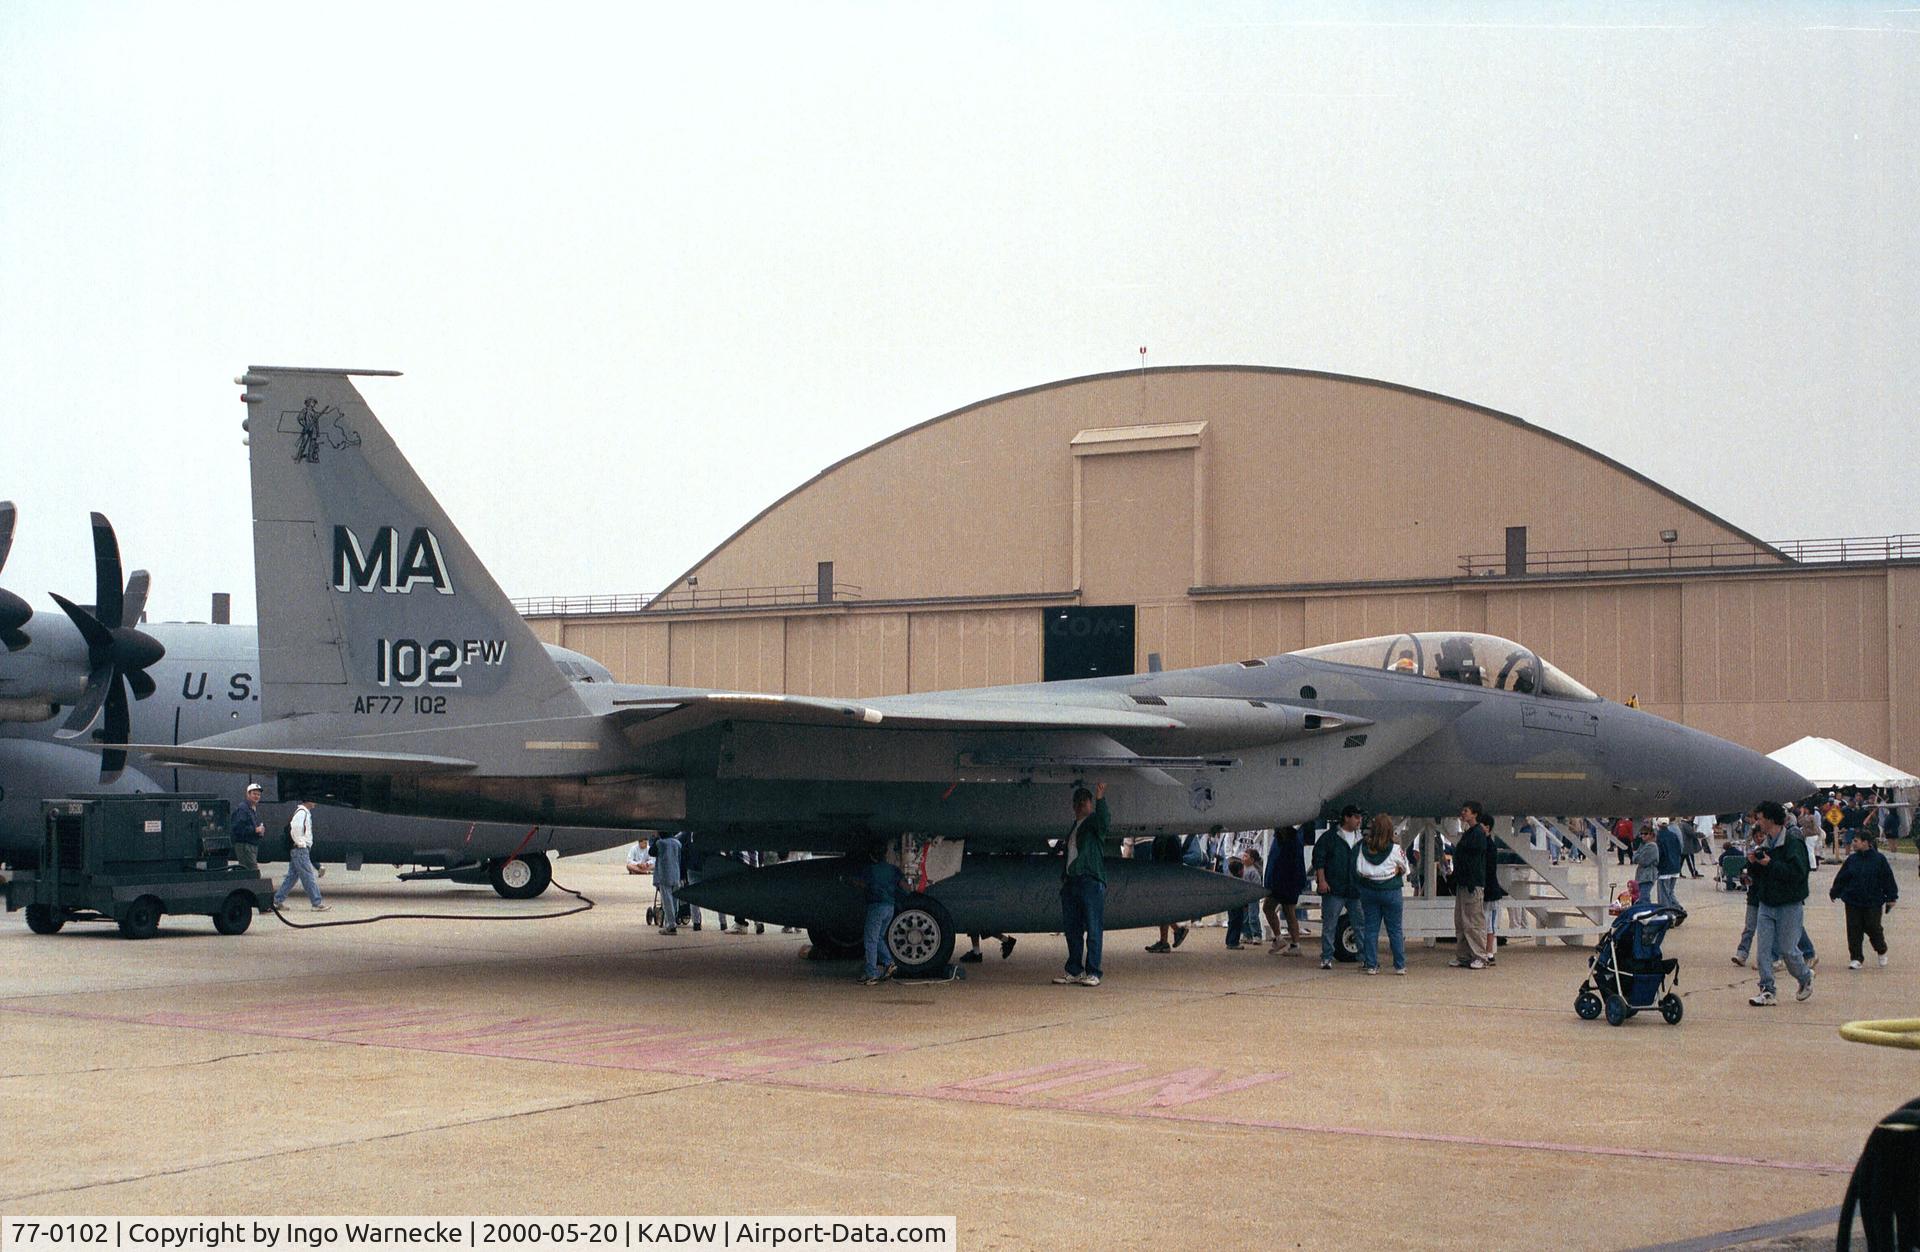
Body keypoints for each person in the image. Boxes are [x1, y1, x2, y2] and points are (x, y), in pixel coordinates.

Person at [1746, 800, 1815, 1006]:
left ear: (1769, 819)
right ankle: (1767, 989)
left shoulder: (1793, 843)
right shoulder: (1765, 843)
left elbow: (1798, 873)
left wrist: (1771, 864)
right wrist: (1753, 865)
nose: (1757, 822)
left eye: (1759, 818)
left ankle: (1804, 977)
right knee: (1763, 951)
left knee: (1788, 950)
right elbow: (1760, 875)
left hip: (1789, 904)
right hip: (1766, 903)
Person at [1053, 782, 1108, 987]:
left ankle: (1093, 971)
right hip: (1072, 881)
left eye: (1083, 801)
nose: (1080, 805)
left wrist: (1101, 798)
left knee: (1093, 928)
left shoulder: (1093, 824)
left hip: (1089, 880)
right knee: (1072, 929)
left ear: (1089, 804)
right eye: (1077, 801)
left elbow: (1104, 821)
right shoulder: (1074, 828)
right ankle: (1074, 969)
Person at [1830, 832, 1898, 969]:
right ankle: (1856, 958)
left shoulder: (1879, 859)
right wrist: (1835, 891)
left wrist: (1891, 897)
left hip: (1873, 900)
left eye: (1856, 841)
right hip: (1853, 900)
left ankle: (1881, 949)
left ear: (1866, 842)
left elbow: (1888, 879)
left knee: (1873, 927)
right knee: (1854, 928)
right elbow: (1842, 877)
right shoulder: (1852, 860)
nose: (1853, 843)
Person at [1354, 815, 1410, 975]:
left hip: (1369, 891)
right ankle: (1399, 965)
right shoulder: (1395, 849)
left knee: (1371, 929)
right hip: (1391, 891)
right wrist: (1397, 871)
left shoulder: (1363, 848)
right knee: (1395, 930)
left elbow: (1359, 869)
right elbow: (1405, 868)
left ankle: (1371, 964)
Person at [1313, 805, 1364, 970]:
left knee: (1359, 923)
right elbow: (1319, 860)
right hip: (1334, 887)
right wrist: (1322, 881)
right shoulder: (1329, 837)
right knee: (1330, 923)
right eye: (1356, 817)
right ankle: (1327, 956)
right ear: (1346, 818)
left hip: (1354, 888)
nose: (1359, 820)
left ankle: (1364, 956)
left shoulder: (1360, 838)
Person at [1449, 802, 1492, 969]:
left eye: (1466, 811)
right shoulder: (1469, 833)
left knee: (1473, 921)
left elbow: (1474, 859)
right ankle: (1463, 955)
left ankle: (1480, 955)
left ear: (1474, 814)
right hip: (1463, 882)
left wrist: (1471, 880)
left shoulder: (1478, 834)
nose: (1463, 813)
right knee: (1461, 921)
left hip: (1472, 883)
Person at [271, 799, 329, 911]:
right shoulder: (302, 813)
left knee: (292, 877)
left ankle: (277, 900)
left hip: (298, 849)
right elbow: (296, 829)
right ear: (307, 800)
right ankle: (316, 903)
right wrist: (301, 843)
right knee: (308, 876)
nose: (315, 802)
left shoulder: (303, 812)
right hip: (300, 850)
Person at [858, 842, 901, 985]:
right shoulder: (893, 869)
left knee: (870, 940)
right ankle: (889, 963)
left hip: (876, 907)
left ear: (872, 856)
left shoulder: (871, 869)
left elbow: (863, 884)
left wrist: (847, 881)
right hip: (890, 907)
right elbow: (903, 885)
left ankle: (872, 973)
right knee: (879, 937)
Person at [1264, 824, 1306, 954]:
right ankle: (1281, 939)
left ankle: (1294, 944)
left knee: (1288, 912)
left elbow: (1295, 864)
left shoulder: (1292, 841)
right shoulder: (1279, 839)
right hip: (1278, 881)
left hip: (1287, 882)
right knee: (1275, 909)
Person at [1225, 849, 1264, 949]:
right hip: (1243, 899)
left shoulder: (1253, 871)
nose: (1243, 858)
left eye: (1246, 856)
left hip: (1251, 898)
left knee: (1252, 916)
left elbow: (1256, 885)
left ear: (1252, 859)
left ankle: (1256, 934)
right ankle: (1246, 935)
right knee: (1243, 918)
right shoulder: (1242, 870)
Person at [651, 831, 683, 934]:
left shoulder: (660, 843)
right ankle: (672, 920)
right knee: (674, 900)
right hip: (676, 873)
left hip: (664, 874)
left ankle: (671, 925)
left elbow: (651, 852)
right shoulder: (677, 843)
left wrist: (656, 838)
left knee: (667, 900)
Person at [230, 782, 265, 874]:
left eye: (258, 794)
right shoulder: (243, 809)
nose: (256, 796)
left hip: (251, 845)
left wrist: (259, 831)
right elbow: (237, 828)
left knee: (248, 871)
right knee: (252, 871)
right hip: (245, 846)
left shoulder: (252, 809)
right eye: (254, 794)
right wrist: (255, 830)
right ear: (248, 794)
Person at [1655, 817, 1684, 908]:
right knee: (1670, 891)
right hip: (1675, 867)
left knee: (1663, 893)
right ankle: (1677, 908)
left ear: (1658, 825)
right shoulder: (1673, 835)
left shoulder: (1658, 837)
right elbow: (1680, 849)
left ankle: (1666, 911)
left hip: (1664, 869)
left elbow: (1659, 853)